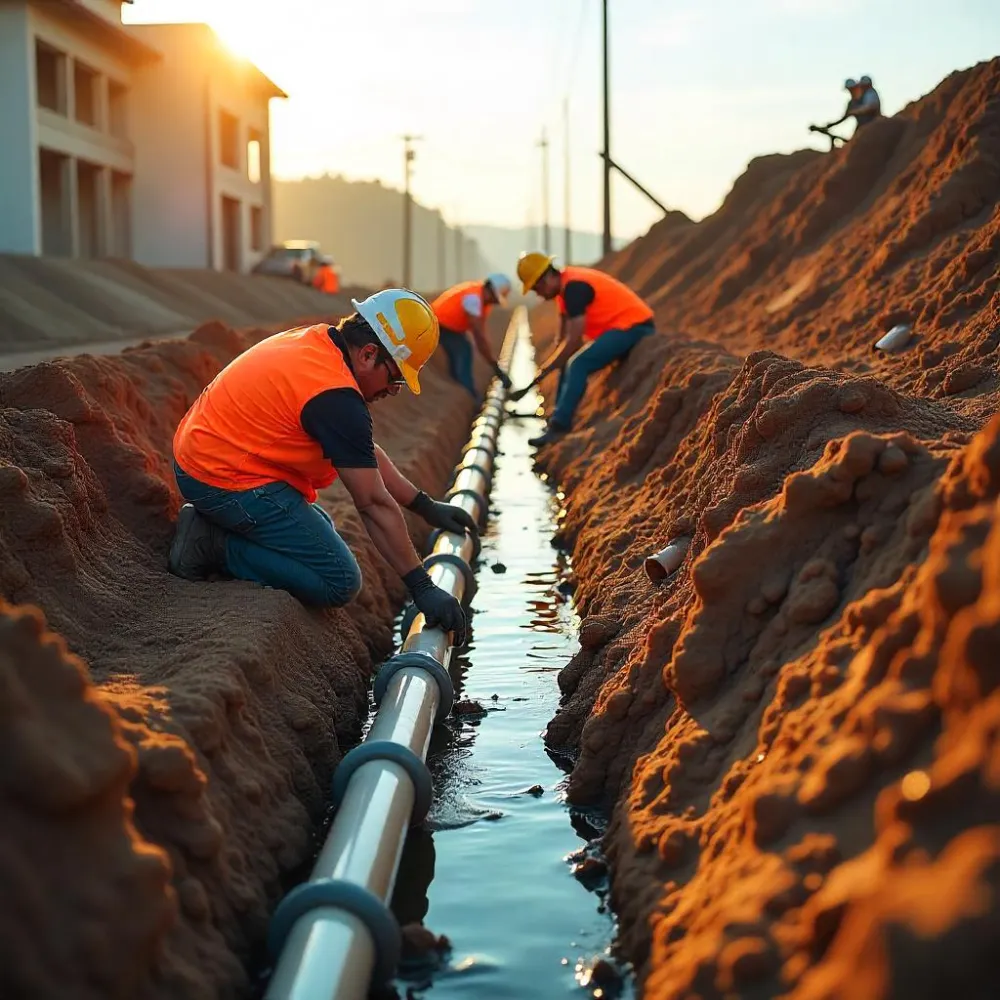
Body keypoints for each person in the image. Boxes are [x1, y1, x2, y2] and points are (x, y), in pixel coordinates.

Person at [168, 288, 475, 642]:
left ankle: (219, 529)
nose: (394, 390)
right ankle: (212, 543)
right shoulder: (336, 399)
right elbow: (373, 503)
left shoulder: (319, 345)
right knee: (338, 579)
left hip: (205, 457)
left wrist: (424, 506)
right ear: (368, 354)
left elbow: (362, 453)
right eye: (395, 377)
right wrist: (422, 587)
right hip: (222, 480)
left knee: (323, 527)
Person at [510, 252, 655, 447]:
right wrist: (554, 361)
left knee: (577, 364)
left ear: (547, 278)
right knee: (567, 362)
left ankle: (560, 427)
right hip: (619, 329)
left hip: (635, 327)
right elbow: (563, 340)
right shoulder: (564, 291)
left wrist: (543, 371)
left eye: (537, 288)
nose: (539, 295)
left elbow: (574, 341)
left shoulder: (574, 289)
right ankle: (557, 417)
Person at [430, 273, 513, 398]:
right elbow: (479, 335)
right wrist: (495, 367)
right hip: (438, 325)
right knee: (463, 352)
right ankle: (466, 393)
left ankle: (462, 390)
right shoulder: (473, 299)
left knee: (463, 349)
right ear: (491, 292)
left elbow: (481, 333)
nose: (494, 303)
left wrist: (494, 365)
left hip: (448, 327)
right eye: (495, 299)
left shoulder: (479, 298)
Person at [811, 76, 881, 145]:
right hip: (861, 128)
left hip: (873, 125)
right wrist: (829, 126)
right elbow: (845, 116)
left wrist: (856, 112)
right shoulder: (852, 103)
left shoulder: (870, 94)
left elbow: (871, 107)